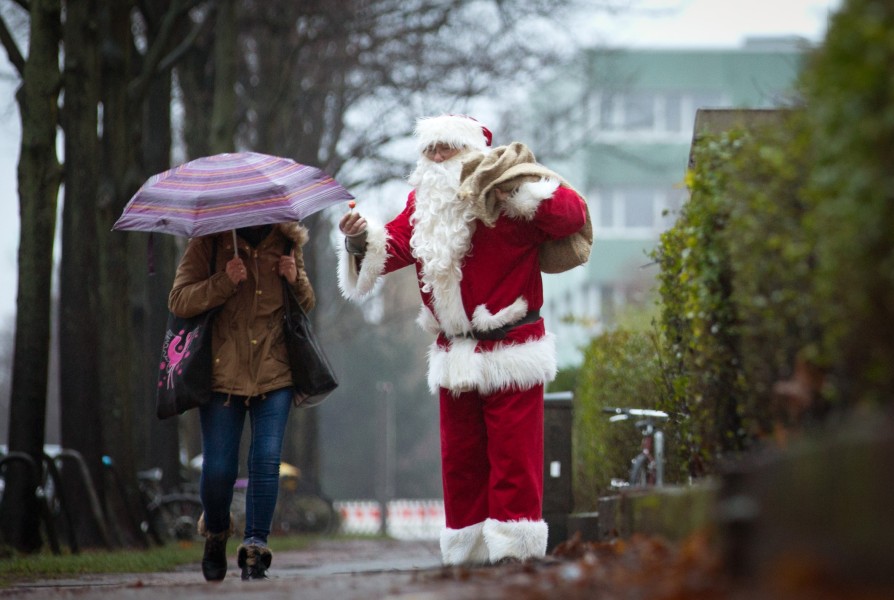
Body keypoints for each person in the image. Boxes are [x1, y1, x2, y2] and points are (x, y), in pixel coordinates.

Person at [337, 114, 588, 565]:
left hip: (512, 349)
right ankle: (466, 557)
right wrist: (358, 242)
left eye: (446, 148)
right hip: (456, 355)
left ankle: (515, 556)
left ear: (471, 152)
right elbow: (389, 248)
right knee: (461, 463)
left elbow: (571, 216)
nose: (436, 157)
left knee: (515, 461)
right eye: (429, 149)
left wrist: (517, 190)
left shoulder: (507, 199)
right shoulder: (422, 206)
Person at [168, 222, 315, 581]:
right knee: (219, 471)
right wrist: (223, 281)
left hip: (275, 372)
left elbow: (306, 305)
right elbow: (179, 300)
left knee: (266, 461)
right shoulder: (209, 242)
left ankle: (255, 550)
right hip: (221, 375)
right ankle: (216, 533)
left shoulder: (287, 241)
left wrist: (295, 278)